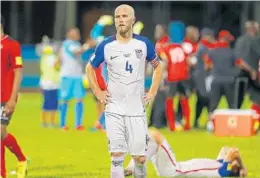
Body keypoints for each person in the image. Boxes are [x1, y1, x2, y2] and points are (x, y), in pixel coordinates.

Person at [86, 4, 162, 178]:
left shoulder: (143, 44)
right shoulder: (106, 45)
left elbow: (158, 67)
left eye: (124, 16)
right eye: (117, 17)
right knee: (117, 156)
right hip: (114, 108)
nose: (120, 20)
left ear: (133, 20)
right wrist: (97, 92)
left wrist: (152, 93)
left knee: (140, 158)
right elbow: (90, 67)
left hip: (136, 109)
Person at [124, 129, 247, 177]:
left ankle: (133, 166)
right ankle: (134, 167)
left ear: (233, 169)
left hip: (173, 170)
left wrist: (243, 168)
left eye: (234, 164)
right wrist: (239, 166)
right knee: (154, 143)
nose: (234, 162)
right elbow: (226, 149)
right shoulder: (219, 164)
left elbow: (234, 152)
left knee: (156, 136)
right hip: (172, 170)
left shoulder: (222, 172)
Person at [205, 30, 257, 122]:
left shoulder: (212, 51)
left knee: (213, 104)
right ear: (225, 39)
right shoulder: (231, 52)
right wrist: (251, 70)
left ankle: (210, 124)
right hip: (229, 81)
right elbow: (240, 63)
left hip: (216, 80)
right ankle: (233, 124)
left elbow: (207, 66)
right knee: (232, 106)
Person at [0, 16, 28, 178]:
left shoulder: (12, 45)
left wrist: (13, 98)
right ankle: (22, 160)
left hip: (6, 97)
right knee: (2, 135)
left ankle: (2, 173)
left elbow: (18, 73)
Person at [58, 27, 92, 131]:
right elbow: (76, 52)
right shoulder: (68, 44)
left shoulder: (75, 44)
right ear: (69, 34)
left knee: (79, 98)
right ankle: (62, 124)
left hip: (77, 76)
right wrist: (87, 45)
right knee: (65, 99)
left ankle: (78, 124)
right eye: (75, 33)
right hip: (67, 76)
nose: (78, 34)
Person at [193, 28, 215, 128]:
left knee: (201, 100)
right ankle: (209, 121)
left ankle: (196, 121)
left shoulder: (201, 46)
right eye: (210, 36)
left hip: (200, 75)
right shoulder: (204, 47)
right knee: (206, 98)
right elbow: (208, 64)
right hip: (202, 77)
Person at [39, 45, 60, 127]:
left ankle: (44, 122)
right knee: (53, 103)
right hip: (52, 83)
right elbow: (56, 66)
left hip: (45, 82)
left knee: (46, 103)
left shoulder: (43, 59)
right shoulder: (52, 58)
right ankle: (51, 122)